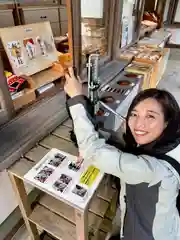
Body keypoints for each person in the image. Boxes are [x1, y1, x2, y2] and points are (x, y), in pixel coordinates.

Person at [64, 67, 180, 240]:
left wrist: (76, 98)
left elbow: (93, 150)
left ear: (166, 123)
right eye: (134, 114)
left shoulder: (155, 170)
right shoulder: (165, 145)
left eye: (150, 116)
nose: (139, 124)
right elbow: (119, 150)